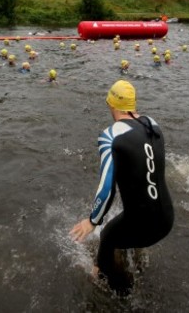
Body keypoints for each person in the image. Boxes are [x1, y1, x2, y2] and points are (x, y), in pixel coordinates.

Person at [70, 80, 174, 295]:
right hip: (167, 219)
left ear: (111, 105)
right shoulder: (153, 124)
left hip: (144, 225)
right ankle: (136, 256)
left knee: (107, 236)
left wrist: (92, 221)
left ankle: (109, 289)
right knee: (132, 218)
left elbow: (107, 187)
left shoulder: (110, 135)